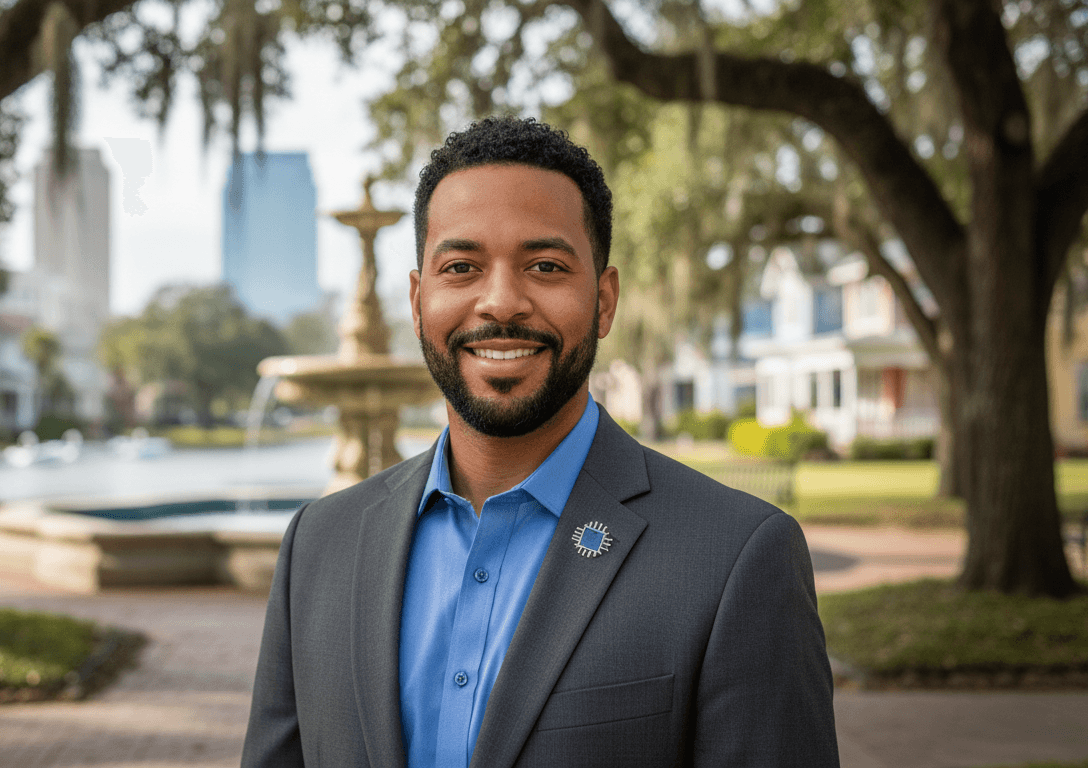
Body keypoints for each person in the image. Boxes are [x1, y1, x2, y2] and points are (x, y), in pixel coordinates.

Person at [241, 116, 839, 768]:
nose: (501, 302)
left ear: (604, 301)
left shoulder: (736, 559)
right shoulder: (317, 545)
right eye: (462, 267)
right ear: (417, 302)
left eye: (546, 265)